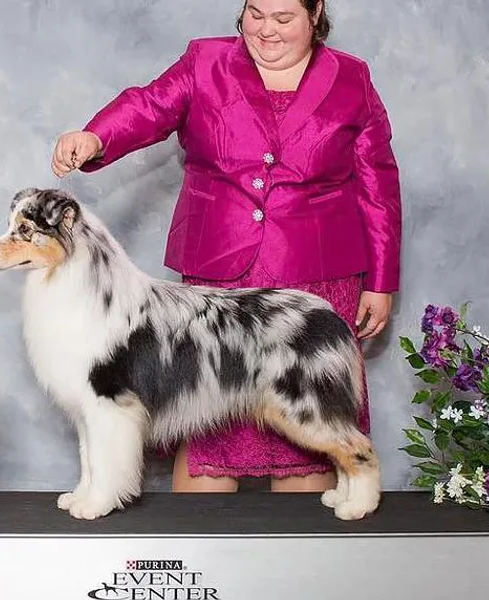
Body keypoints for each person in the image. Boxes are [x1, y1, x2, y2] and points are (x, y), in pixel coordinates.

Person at [52, 0, 401, 498]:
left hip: (317, 281)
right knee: (203, 439)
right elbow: (149, 106)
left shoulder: (353, 79)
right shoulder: (205, 61)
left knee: (307, 433)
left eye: (284, 18)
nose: (267, 30)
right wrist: (94, 136)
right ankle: (203, 568)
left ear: (316, 12)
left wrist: (382, 281)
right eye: (256, 13)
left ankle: (310, 566)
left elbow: (378, 188)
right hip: (217, 279)